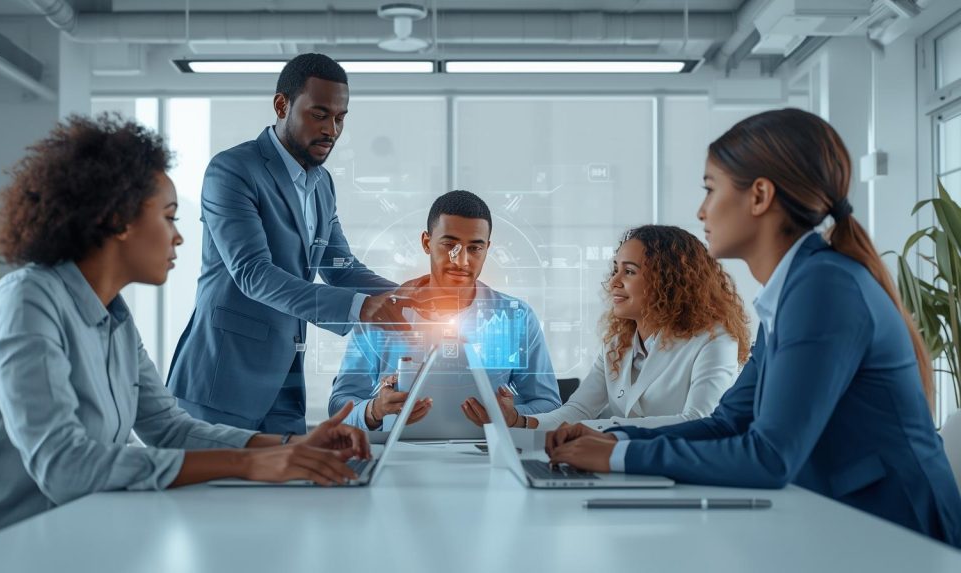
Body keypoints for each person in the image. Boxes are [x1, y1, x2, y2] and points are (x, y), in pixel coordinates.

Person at [0, 115, 371, 553]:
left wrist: (289, 445)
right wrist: (253, 463)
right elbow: (65, 466)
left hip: (59, 543)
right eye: (168, 217)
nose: (179, 238)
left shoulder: (115, 318)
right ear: (119, 220)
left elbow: (168, 427)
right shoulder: (26, 303)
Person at [545, 108, 961, 547]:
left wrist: (620, 455)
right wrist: (613, 437)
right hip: (847, 521)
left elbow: (769, 455)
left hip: (899, 532)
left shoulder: (824, 287)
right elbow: (729, 422)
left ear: (759, 196)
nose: (701, 210)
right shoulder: (795, 289)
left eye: (710, 189)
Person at [167, 53, 425, 435]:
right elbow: (253, 274)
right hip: (221, 385)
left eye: (340, 118)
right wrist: (361, 308)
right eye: (319, 115)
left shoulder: (322, 184)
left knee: (294, 491)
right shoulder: (233, 170)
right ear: (281, 105)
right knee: (212, 496)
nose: (332, 130)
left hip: (285, 386)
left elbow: (341, 268)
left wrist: (411, 296)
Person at [328, 190, 561, 430]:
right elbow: (338, 407)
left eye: (475, 249)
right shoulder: (380, 313)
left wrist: (510, 417)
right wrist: (374, 411)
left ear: (487, 249)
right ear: (427, 243)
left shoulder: (517, 317)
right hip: (400, 457)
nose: (461, 261)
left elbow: (549, 404)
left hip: (487, 456)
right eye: (450, 245)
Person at [525, 225, 750, 431]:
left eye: (629, 271)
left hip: (688, 470)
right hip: (632, 464)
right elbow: (577, 411)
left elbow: (699, 420)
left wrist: (603, 430)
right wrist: (519, 421)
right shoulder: (616, 342)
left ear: (667, 281)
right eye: (615, 270)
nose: (614, 281)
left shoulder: (714, 340)